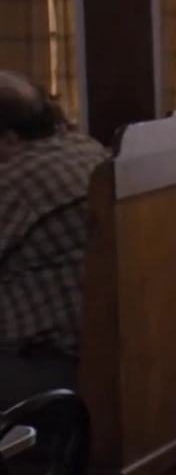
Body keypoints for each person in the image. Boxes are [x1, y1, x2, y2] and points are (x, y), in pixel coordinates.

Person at [0, 71, 108, 407]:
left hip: (52, 369)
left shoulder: (15, 182)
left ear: (8, 140)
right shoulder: (82, 147)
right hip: (101, 355)